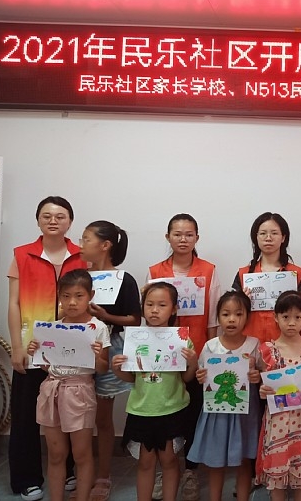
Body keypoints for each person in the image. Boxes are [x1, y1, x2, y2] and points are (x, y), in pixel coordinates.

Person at [7, 196, 87, 501]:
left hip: (71, 350)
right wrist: (16, 346)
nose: (53, 221)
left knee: (70, 414)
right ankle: (26, 479)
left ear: (70, 221)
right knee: (26, 416)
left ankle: (68, 471)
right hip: (33, 347)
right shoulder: (22, 254)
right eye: (46, 216)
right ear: (38, 220)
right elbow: (13, 304)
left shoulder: (82, 256)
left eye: (60, 216)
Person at [147, 213, 221, 500]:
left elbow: (213, 318)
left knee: (193, 415)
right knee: (164, 415)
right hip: (162, 357)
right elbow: (148, 315)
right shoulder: (155, 271)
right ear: (168, 237)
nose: (183, 239)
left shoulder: (209, 270)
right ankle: (164, 471)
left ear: (197, 238)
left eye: (189, 234)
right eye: (177, 234)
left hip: (197, 355)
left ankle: (190, 470)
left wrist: (210, 356)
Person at [27, 269, 110, 501]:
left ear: (90, 295)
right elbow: (48, 366)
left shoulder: (98, 328)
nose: (72, 302)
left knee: (81, 453)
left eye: (79, 296)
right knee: (55, 454)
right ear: (59, 296)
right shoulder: (53, 328)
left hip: (80, 391)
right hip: (51, 389)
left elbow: (103, 368)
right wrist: (36, 353)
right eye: (66, 296)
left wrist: (96, 356)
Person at [112, 282, 198, 501]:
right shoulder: (134, 340)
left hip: (172, 409)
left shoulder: (182, 340)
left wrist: (193, 363)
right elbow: (131, 378)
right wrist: (117, 369)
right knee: (145, 462)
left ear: (174, 308)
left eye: (162, 305)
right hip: (142, 409)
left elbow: (186, 378)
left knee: (169, 460)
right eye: (149, 304)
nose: (154, 310)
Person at [78, 220, 141, 501]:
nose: (81, 245)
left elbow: (135, 320)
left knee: (102, 418)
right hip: (77, 348)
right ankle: (79, 473)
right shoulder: (79, 276)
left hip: (108, 348)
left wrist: (105, 316)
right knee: (76, 415)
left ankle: (103, 475)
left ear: (105, 245)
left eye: (86, 239)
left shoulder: (124, 279)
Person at [253, 291, 301, 501]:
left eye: (297, 317)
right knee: (276, 474)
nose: (291, 323)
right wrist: (262, 391)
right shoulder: (266, 350)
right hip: (276, 422)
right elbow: (263, 387)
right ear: (275, 317)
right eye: (285, 316)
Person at [187, 291, 261, 501]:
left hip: (246, 413)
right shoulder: (211, 346)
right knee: (215, 460)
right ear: (218, 317)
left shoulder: (255, 344)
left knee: (245, 459)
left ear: (247, 317)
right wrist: (200, 376)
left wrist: (257, 376)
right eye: (226, 314)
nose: (232, 319)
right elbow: (201, 375)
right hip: (217, 413)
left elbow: (262, 375)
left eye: (238, 314)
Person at [233, 212, 301, 341]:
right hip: (250, 343)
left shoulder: (296, 274)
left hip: (286, 344)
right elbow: (234, 314)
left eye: (274, 233)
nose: (268, 238)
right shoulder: (243, 274)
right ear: (256, 237)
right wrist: (242, 302)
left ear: (283, 237)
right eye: (263, 233)